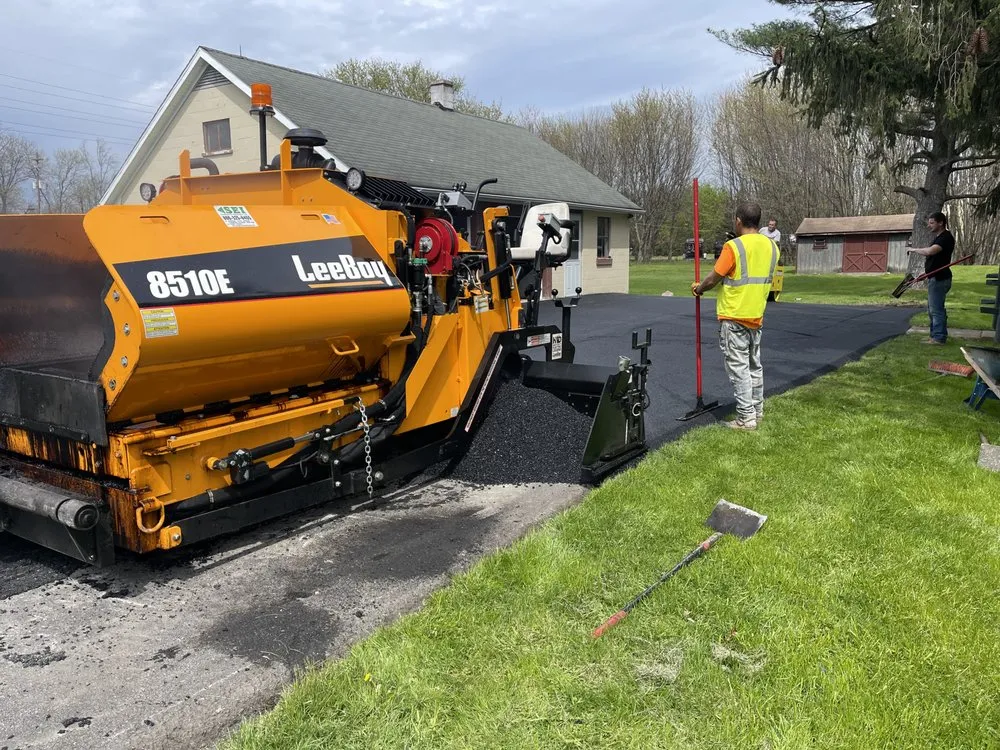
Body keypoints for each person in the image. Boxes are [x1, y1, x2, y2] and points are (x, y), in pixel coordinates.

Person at [692, 201, 780, 430]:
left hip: (734, 316)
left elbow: (714, 277)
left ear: (738, 221)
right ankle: (757, 411)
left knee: (739, 369)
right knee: (754, 366)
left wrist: (699, 288)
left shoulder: (733, 247)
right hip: (756, 316)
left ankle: (746, 418)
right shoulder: (773, 247)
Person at [907, 212, 955, 345]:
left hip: (940, 278)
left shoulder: (945, 238)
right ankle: (936, 336)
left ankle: (938, 338)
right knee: (934, 309)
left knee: (936, 309)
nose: (929, 225)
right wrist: (926, 274)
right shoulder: (939, 237)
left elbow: (930, 251)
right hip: (935, 276)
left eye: (932, 222)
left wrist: (913, 249)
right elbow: (934, 261)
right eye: (929, 222)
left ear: (941, 223)